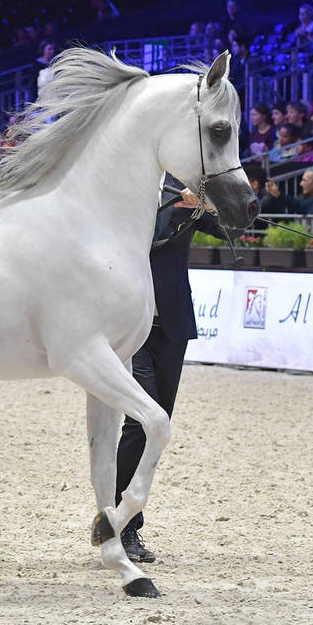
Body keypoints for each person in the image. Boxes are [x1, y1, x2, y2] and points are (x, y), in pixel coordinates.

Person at [115, 176, 237, 563]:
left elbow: (234, 219)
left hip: (172, 322)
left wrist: (207, 203)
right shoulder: (127, 187)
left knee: (159, 423)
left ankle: (123, 520)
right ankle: (124, 526)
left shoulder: (184, 192)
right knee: (140, 421)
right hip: (129, 325)